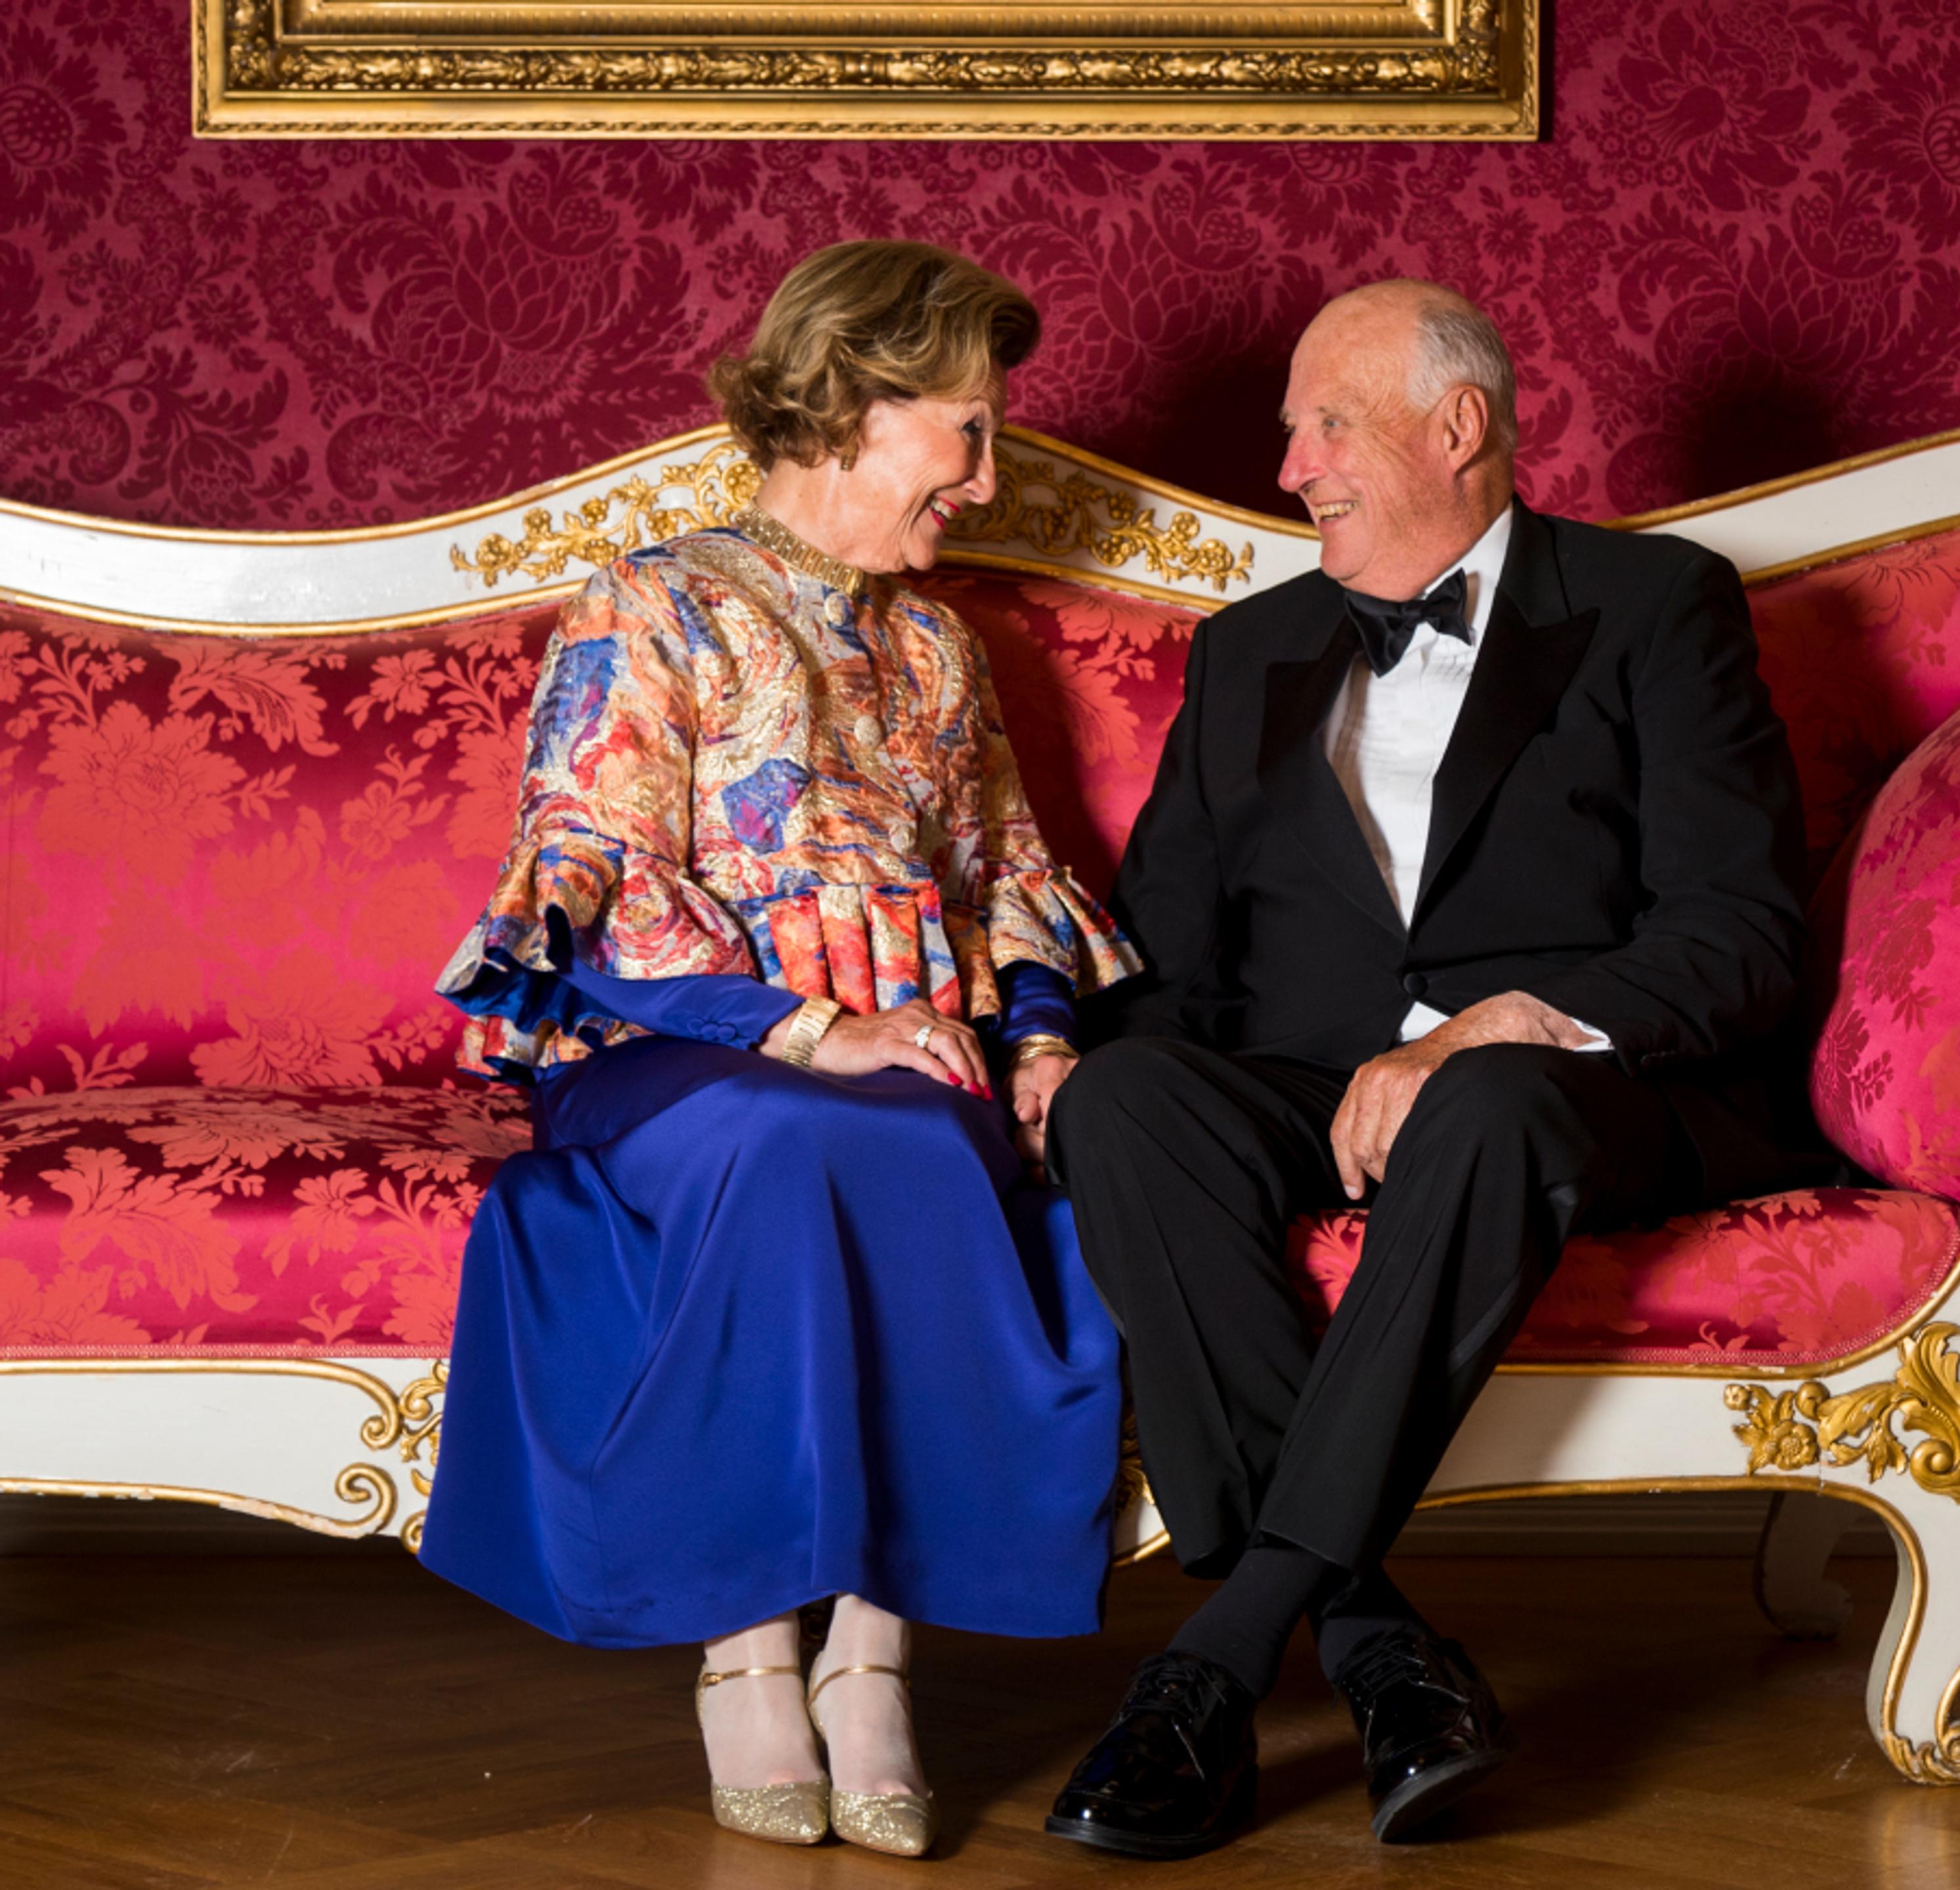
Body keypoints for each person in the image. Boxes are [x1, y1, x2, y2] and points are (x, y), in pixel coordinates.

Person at [1041, 280, 1810, 1856]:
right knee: (1125, 1102)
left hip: (1576, 1090)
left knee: (1486, 1101)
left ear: (1458, 426)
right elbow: (1168, 964)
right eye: (1292, 433)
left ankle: (1215, 1661)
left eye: (1326, 424)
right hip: (1313, 1083)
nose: (1292, 468)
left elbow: (1739, 933)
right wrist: (1061, 1058)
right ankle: (1383, 1650)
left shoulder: (1656, 605)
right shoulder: (1247, 651)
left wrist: (1499, 1023)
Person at [421, 240, 1139, 1858]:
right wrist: (812, 1029)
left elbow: (1011, 881)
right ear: (859, 405)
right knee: (799, 1129)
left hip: (905, 1056)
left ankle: (871, 1659)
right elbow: (590, 874)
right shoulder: (651, 602)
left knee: (918, 1128)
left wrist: (1036, 1041)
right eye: (968, 430)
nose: (987, 476)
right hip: (675, 1054)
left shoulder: (941, 652)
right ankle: (746, 1653)